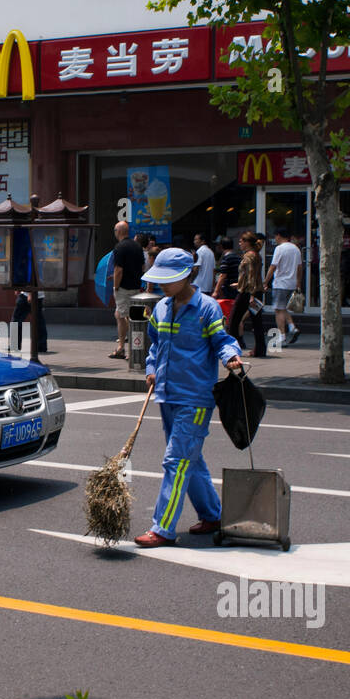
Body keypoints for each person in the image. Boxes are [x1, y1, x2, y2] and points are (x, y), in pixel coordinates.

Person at [133, 248, 243, 549]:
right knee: (189, 459)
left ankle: (163, 528)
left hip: (195, 398)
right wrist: (151, 369)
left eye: (168, 280)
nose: (162, 285)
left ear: (186, 276)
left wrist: (231, 358)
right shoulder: (161, 309)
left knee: (176, 461)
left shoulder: (207, 308)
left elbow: (222, 341)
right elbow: (154, 346)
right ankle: (211, 515)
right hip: (167, 394)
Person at [228, 231, 268, 358]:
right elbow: (253, 276)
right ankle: (260, 350)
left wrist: (251, 294)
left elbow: (250, 276)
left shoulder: (248, 256)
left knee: (233, 320)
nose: (239, 243)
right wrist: (239, 284)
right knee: (257, 322)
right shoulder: (257, 255)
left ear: (247, 243)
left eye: (241, 241)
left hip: (248, 294)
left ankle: (233, 348)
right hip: (255, 292)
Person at [110, 220, 144, 360]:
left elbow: (119, 270)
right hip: (136, 286)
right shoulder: (137, 246)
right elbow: (142, 267)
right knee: (120, 315)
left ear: (119, 231)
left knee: (127, 318)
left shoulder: (119, 247)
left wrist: (115, 286)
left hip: (123, 288)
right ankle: (121, 348)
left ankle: (133, 349)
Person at [262, 226, 301, 345]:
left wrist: (265, 281)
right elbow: (300, 267)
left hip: (280, 283)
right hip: (292, 283)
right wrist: (298, 282)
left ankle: (282, 336)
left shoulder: (279, 249)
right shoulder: (296, 249)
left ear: (278, 235)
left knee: (278, 310)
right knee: (283, 307)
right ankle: (292, 327)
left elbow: (273, 266)